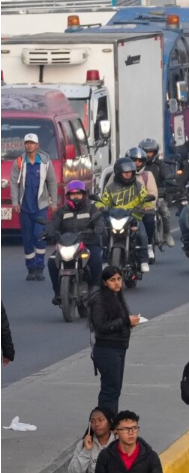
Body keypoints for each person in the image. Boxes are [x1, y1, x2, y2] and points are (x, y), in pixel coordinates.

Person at [88, 266, 140, 413]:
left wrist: (129, 324)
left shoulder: (114, 295)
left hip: (118, 347)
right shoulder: (99, 298)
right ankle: (103, 427)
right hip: (107, 350)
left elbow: (116, 321)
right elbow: (100, 326)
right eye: (112, 280)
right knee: (110, 391)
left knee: (114, 390)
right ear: (104, 282)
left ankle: (110, 425)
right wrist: (125, 321)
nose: (117, 283)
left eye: (119, 279)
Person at [45, 180, 104, 306]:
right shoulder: (62, 211)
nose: (76, 197)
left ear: (84, 195)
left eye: (79, 194)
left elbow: (99, 220)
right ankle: (58, 292)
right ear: (68, 196)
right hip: (67, 244)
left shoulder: (91, 208)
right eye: (73, 194)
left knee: (96, 259)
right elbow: (53, 224)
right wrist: (48, 232)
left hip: (88, 243)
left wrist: (99, 227)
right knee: (51, 261)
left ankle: (95, 289)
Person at [10, 132, 58, 281]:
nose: (29, 145)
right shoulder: (19, 162)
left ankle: (39, 268)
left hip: (40, 207)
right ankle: (31, 269)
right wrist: (15, 202)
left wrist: (53, 203)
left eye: (32, 143)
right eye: (27, 143)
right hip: (24, 208)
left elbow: (52, 182)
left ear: (37, 145)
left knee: (40, 237)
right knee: (28, 239)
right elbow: (13, 183)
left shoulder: (45, 161)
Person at [97, 157, 152, 275]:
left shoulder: (138, 186)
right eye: (125, 173)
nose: (128, 175)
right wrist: (98, 206)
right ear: (118, 173)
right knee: (103, 234)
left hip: (134, 217)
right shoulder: (110, 187)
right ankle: (105, 259)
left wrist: (147, 205)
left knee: (142, 235)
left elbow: (146, 198)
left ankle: (143, 261)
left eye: (130, 172)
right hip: (114, 218)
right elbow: (103, 200)